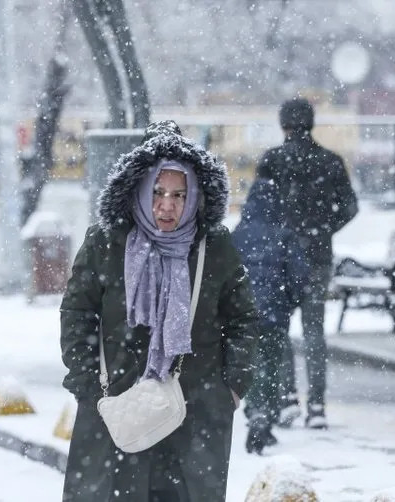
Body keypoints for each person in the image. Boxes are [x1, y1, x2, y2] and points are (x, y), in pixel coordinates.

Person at [60, 120, 259, 501]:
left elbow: (243, 319)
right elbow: (77, 312)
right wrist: (87, 384)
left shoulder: (213, 246)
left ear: (195, 196)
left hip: (195, 411)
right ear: (138, 188)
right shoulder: (107, 241)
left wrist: (231, 386)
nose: (167, 205)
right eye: (158, 191)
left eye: (180, 195)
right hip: (117, 405)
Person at [257, 98, 358, 429]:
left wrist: (278, 234)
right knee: (314, 331)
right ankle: (317, 406)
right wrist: (324, 228)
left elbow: (259, 207)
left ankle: (287, 399)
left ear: (283, 124)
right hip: (317, 256)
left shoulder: (272, 161)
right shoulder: (330, 161)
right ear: (311, 123)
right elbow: (350, 206)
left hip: (281, 260)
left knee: (280, 329)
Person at [231, 179, 308, 454]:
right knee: (273, 365)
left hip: (244, 317)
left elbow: (225, 277)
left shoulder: (237, 235)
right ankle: (268, 414)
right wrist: (289, 303)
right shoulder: (283, 235)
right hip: (275, 314)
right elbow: (299, 277)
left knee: (251, 366)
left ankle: (255, 412)